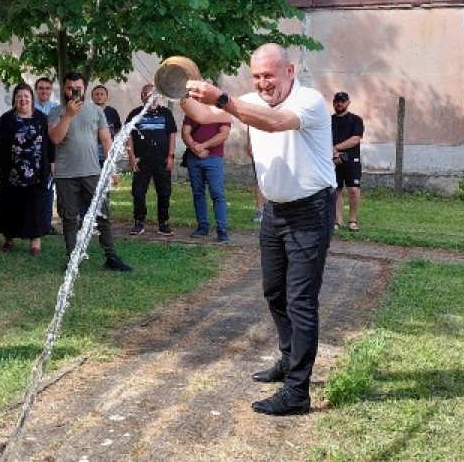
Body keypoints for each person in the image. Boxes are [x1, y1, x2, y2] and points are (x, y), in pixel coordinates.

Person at [182, 43, 336, 417]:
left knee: (301, 300)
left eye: (269, 75)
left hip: (310, 211)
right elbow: (204, 112)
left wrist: (223, 98)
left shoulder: (310, 102)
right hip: (274, 211)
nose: (263, 83)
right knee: (273, 292)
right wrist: (180, 90)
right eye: (257, 76)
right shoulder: (250, 100)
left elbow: (274, 121)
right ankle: (288, 358)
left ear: (289, 70)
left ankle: (297, 392)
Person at [49, 72, 132, 272]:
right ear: (64, 89)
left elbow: (106, 140)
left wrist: (112, 168)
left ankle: (111, 257)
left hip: (92, 172)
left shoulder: (96, 111)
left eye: (77, 87)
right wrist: (68, 114)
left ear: (84, 88)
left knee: (102, 215)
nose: (74, 91)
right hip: (65, 174)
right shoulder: (56, 112)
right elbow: (56, 139)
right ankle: (73, 260)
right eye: (70, 88)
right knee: (69, 219)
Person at [0, 84, 54, 257]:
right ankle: (8, 239)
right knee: (9, 205)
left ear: (32, 99)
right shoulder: (6, 119)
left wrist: (52, 162)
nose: (23, 100)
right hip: (11, 171)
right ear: (14, 99)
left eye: (26, 96)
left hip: (36, 171)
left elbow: (50, 144)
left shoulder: (42, 118)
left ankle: (35, 244)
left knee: (35, 207)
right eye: (19, 96)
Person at [125, 84, 178, 237]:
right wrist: (131, 156)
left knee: (164, 192)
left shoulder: (166, 113)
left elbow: (172, 135)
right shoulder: (135, 114)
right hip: (142, 161)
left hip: (162, 160)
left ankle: (163, 224)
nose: (148, 96)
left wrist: (171, 156)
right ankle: (139, 222)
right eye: (145, 94)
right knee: (138, 192)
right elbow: (128, 136)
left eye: (151, 94)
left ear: (157, 96)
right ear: (141, 96)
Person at [182, 109, 231, 243]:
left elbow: (224, 134)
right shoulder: (192, 111)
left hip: (214, 158)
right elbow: (185, 132)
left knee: (217, 194)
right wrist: (195, 149)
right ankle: (202, 226)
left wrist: (203, 146)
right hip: (194, 158)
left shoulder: (222, 113)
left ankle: (222, 230)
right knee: (198, 194)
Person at [330, 91, 364, 232]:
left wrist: (335, 148)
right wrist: (333, 153)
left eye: (342, 101)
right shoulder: (328, 121)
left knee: (353, 190)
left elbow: (355, 139)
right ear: (333, 103)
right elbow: (323, 139)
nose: (339, 103)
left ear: (348, 102)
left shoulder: (356, 120)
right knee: (336, 190)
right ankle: (338, 221)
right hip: (333, 160)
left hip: (352, 160)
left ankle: (352, 220)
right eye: (337, 101)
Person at [34, 77, 58, 234]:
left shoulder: (56, 109)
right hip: (32, 155)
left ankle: (47, 224)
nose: (44, 91)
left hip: (51, 154)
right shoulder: (29, 107)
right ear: (36, 90)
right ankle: (33, 222)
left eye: (47, 88)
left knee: (49, 190)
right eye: (41, 88)